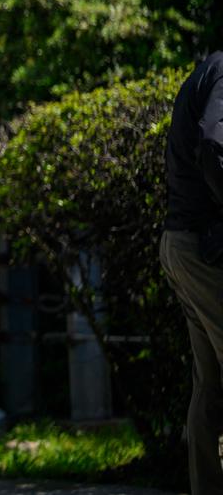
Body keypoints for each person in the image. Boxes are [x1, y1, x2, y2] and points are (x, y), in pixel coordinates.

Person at [163, 51, 223, 494]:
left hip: (182, 243)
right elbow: (213, 147)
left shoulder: (209, 69)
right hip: (204, 251)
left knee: (210, 385)